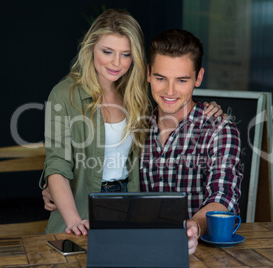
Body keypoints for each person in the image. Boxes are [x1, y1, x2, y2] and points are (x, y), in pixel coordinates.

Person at [40, 9, 223, 239]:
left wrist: (206, 107)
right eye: (107, 51)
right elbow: (57, 164)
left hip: (130, 203)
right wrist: (70, 214)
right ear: (91, 48)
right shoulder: (65, 94)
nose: (116, 63)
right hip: (82, 206)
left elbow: (174, 99)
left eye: (125, 54)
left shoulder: (136, 94)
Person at [139, 29, 243, 254]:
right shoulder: (135, 127)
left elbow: (222, 197)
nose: (169, 90)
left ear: (198, 77)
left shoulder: (219, 130)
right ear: (148, 73)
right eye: (160, 78)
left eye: (182, 80)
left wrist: (193, 227)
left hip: (200, 254)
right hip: (139, 247)